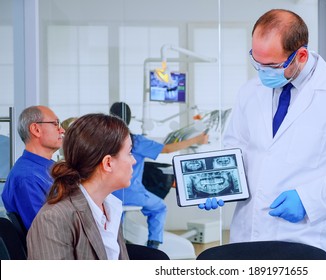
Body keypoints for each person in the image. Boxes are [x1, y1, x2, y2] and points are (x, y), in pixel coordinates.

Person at [202, 9, 326, 260]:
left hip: (306, 237)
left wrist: (308, 199)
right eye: (256, 62)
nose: (262, 71)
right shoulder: (250, 91)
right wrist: (220, 184)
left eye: (272, 65)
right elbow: (236, 147)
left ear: (300, 55)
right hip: (248, 233)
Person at [27, 113, 135, 260]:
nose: (133, 160)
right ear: (108, 163)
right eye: (129, 153)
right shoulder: (53, 219)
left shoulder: (110, 208)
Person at [109, 102, 209, 249]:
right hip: (132, 193)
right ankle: (153, 245)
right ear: (129, 119)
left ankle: (116, 244)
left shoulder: (104, 141)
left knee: (118, 214)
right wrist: (197, 140)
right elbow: (167, 149)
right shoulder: (136, 141)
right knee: (160, 207)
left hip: (110, 194)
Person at [1, 105, 65, 229]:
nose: (62, 130)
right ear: (36, 129)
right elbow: (46, 232)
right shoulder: (27, 178)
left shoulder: (49, 168)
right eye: (55, 124)